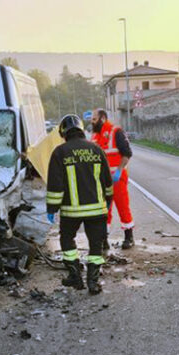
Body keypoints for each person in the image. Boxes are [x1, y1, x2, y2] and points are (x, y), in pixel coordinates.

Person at [46, 115, 114, 295]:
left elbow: (55, 185)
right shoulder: (96, 150)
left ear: (63, 133)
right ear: (81, 129)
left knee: (67, 239)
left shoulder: (60, 152)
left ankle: (75, 276)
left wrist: (52, 208)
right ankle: (93, 282)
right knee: (95, 245)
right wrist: (107, 203)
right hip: (97, 210)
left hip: (71, 211)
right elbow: (107, 182)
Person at [90, 108, 135, 250]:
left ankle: (129, 237)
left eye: (94, 119)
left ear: (102, 118)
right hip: (101, 180)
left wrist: (119, 171)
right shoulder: (95, 136)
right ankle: (104, 239)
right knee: (104, 210)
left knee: (122, 206)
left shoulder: (116, 132)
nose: (92, 122)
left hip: (117, 178)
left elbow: (127, 153)